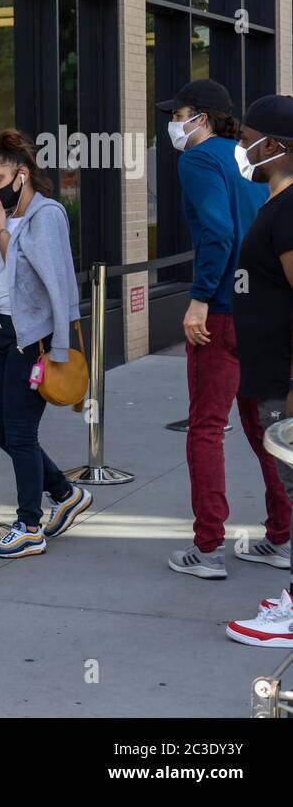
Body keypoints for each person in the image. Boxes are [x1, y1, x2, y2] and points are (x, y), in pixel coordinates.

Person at [153, 79, 289, 579]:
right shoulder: (252, 159)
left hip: (223, 312)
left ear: (202, 117)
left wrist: (199, 299)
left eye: (179, 112)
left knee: (206, 428)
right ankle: (281, 537)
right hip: (260, 309)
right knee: (264, 431)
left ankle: (207, 549)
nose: (173, 122)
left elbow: (218, 231)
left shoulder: (197, 159)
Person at [0, 129, 91, 558]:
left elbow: (42, 276)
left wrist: (3, 230)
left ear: (22, 175)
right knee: (0, 429)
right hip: (1, 331)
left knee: (22, 432)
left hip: (34, 336)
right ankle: (65, 493)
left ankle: (29, 525)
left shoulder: (48, 215)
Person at [224, 95, 293, 647]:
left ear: (276, 147)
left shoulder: (290, 209)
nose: (242, 147)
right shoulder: (277, 204)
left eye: (249, 138)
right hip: (270, 373)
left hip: (283, 381)